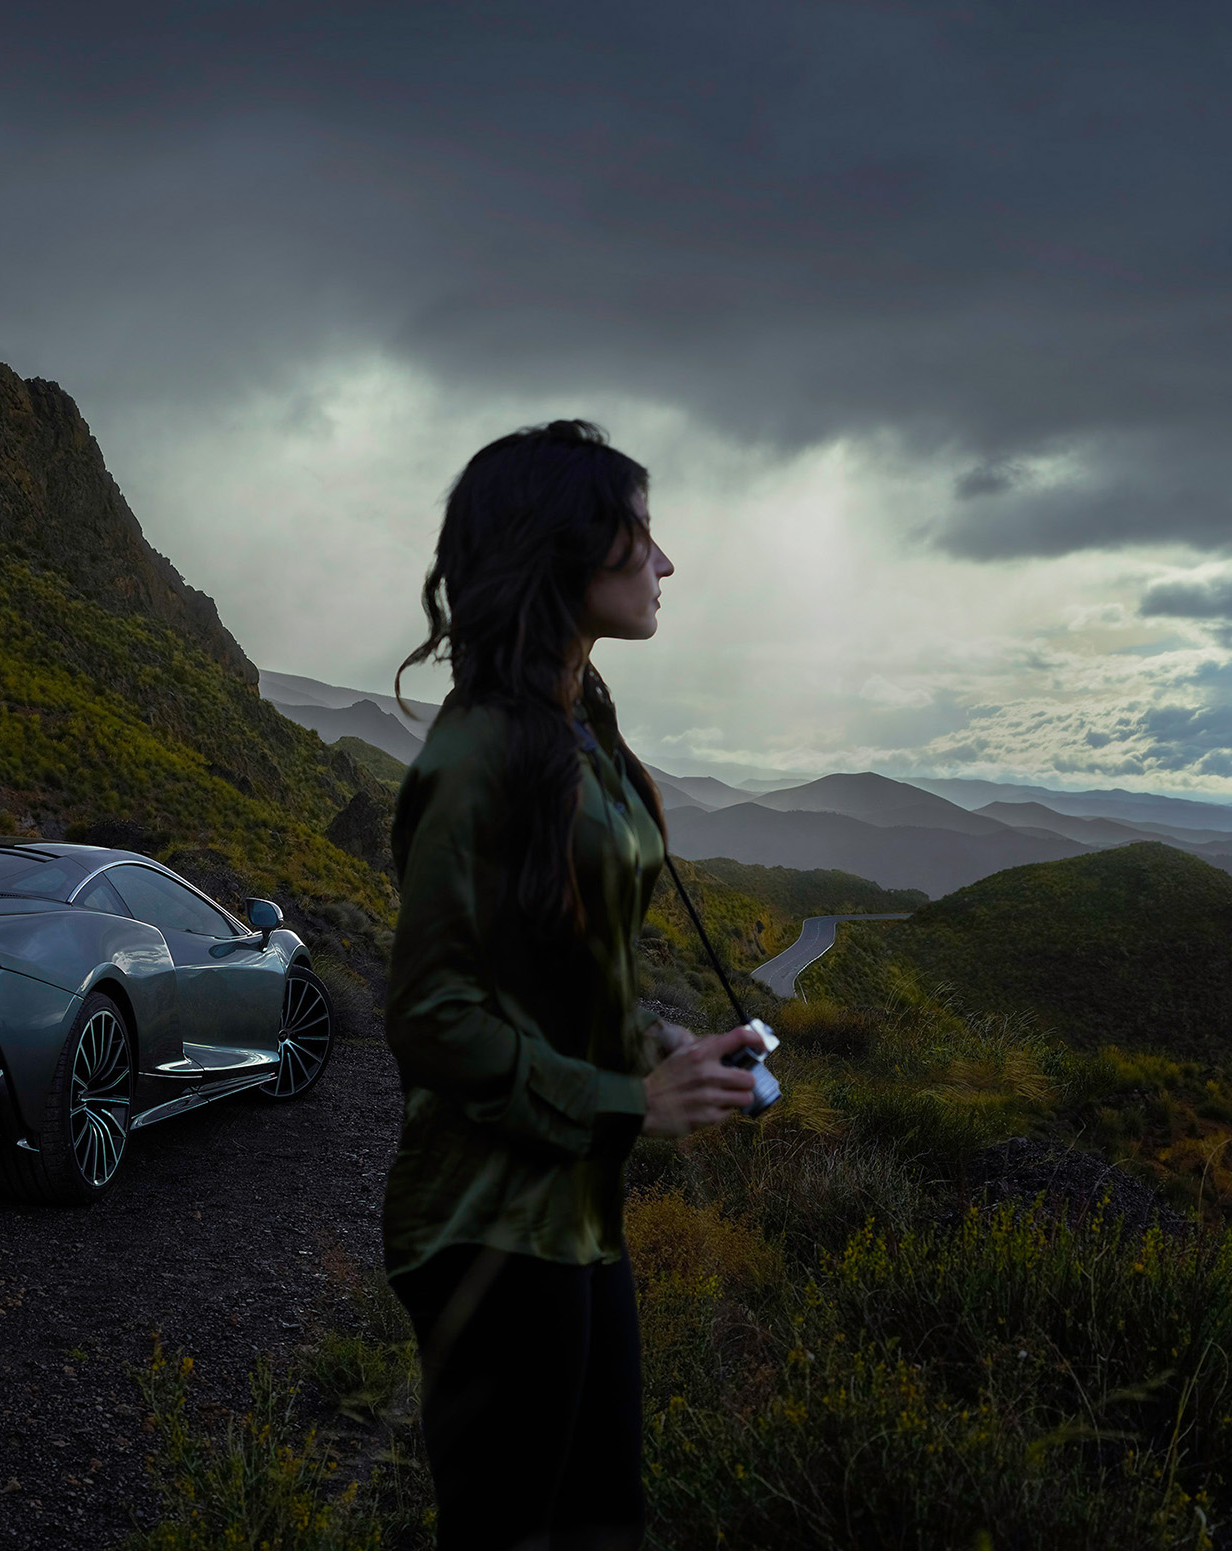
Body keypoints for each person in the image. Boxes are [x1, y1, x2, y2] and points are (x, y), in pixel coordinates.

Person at [383, 420, 763, 1551]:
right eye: (638, 535)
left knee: (604, 1523)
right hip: (486, 1225)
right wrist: (628, 1108)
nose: (664, 562)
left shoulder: (573, 729)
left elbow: (545, 963)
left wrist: (653, 1039)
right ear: (563, 550)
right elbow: (433, 1014)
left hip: (571, 1211)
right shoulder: (480, 754)